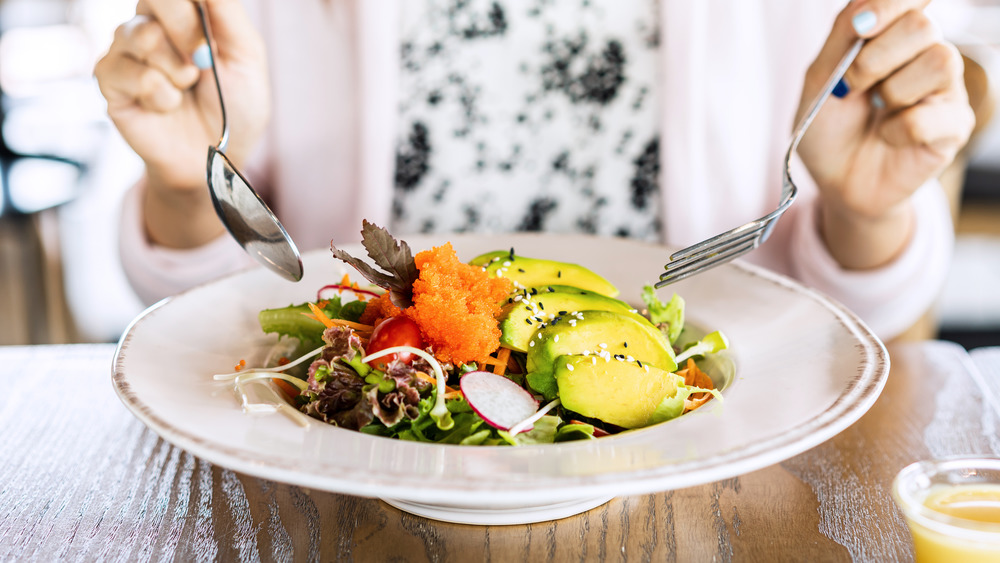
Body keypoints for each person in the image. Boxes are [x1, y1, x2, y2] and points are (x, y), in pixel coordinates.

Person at [94, 0, 974, 341]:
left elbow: (863, 323)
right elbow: (225, 302)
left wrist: (865, 215)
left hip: (719, 473)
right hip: (335, 490)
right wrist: (193, 181)